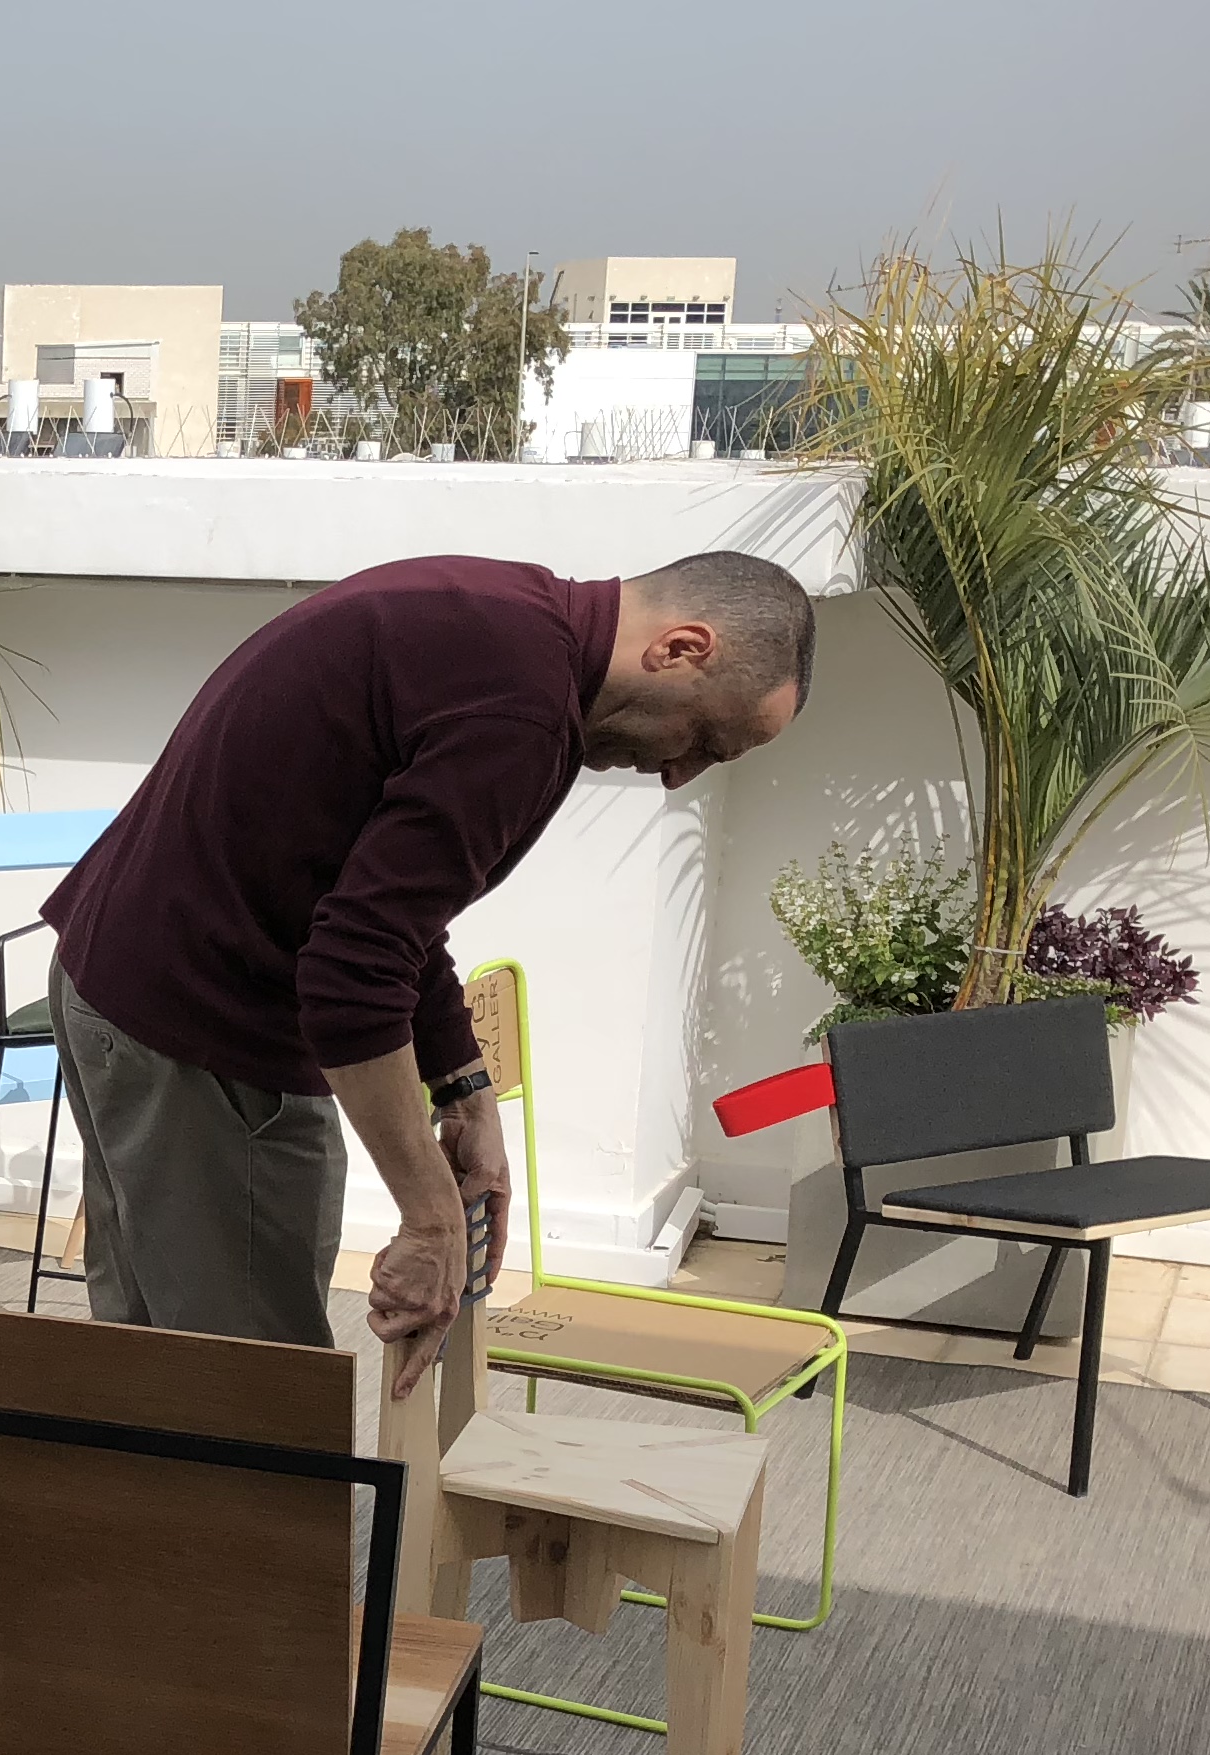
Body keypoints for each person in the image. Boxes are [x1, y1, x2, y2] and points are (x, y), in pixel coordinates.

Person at [40, 550, 815, 1392]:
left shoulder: (507, 612)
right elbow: (353, 970)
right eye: (705, 739)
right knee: (251, 1406)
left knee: (146, 1368)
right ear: (682, 648)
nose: (678, 774)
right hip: (204, 1029)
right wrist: (429, 1215)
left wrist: (465, 1090)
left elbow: (390, 916)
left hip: (111, 984)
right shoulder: (523, 711)